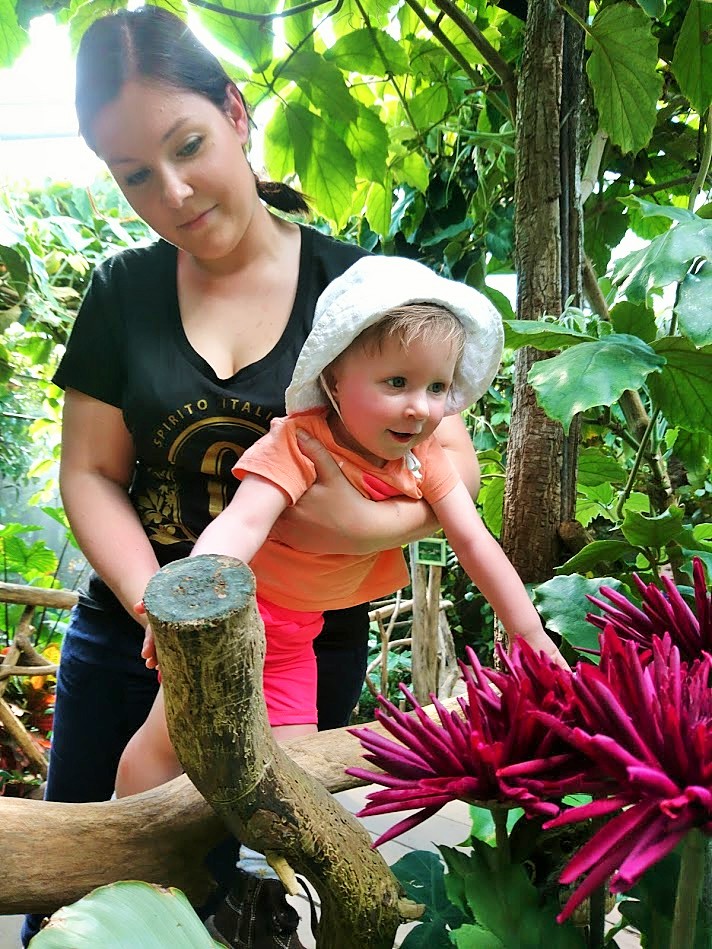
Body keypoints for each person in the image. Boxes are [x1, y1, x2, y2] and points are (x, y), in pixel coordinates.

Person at [21, 7, 482, 949]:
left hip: (303, 639)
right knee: (80, 905)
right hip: (127, 640)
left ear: (235, 112)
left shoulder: (359, 291)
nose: (173, 191)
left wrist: (357, 526)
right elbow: (90, 474)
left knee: (243, 893)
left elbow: (455, 469)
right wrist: (164, 609)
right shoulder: (121, 292)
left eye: (187, 145)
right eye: (134, 173)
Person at [117, 254, 569, 803]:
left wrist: (529, 635)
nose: (419, 408)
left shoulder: (425, 457)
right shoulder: (300, 443)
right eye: (397, 382)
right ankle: (122, 834)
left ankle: (272, 857)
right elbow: (240, 523)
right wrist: (188, 603)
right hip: (240, 619)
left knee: (294, 775)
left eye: (437, 387)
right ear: (334, 379)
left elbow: (474, 541)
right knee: (169, 741)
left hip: (295, 638)